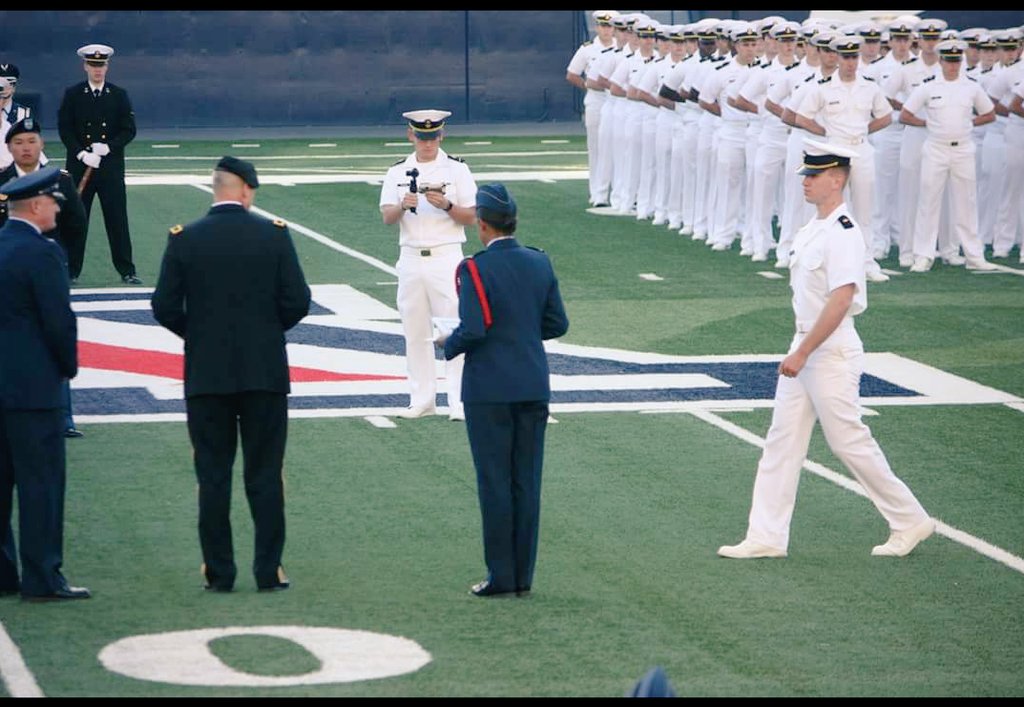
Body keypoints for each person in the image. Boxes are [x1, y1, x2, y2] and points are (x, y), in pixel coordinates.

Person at [717, 140, 935, 560]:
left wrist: (803, 352)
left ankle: (909, 518)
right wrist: (800, 348)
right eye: (806, 175)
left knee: (848, 440)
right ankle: (765, 536)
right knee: (782, 441)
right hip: (807, 342)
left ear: (837, 179)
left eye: (814, 176)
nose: (807, 182)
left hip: (829, 350)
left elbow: (841, 299)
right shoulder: (813, 227)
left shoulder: (843, 232)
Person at [151, 156, 311, 592]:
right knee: (265, 474)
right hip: (264, 374)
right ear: (244, 190)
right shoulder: (273, 236)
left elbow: (164, 306)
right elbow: (298, 300)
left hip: (207, 375)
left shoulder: (185, 239)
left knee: (213, 476)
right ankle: (268, 571)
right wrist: (264, 332)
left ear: (217, 187)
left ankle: (219, 573)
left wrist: (199, 335)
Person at [439, 183, 569, 597]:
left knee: (495, 483)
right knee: (526, 482)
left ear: (482, 225)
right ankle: (523, 577)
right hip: (532, 384)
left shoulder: (473, 269)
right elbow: (557, 324)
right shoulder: (539, 263)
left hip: (490, 390)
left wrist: (448, 344)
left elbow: (474, 329)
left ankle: (501, 575)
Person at [0, 167, 90, 601]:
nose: (58, 206)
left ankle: (2, 574)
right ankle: (42, 577)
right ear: (35, 206)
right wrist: (67, 369)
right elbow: (58, 322)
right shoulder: (43, 253)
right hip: (34, 391)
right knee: (41, 487)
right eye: (53, 201)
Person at [379, 109, 477, 421]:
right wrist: (402, 207)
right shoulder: (398, 171)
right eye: (422, 136)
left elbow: (472, 217)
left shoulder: (457, 169)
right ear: (411, 135)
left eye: (433, 136)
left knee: (454, 329)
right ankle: (422, 398)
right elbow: (387, 217)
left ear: (441, 135)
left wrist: (447, 205)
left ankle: (459, 400)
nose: (428, 142)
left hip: (446, 254)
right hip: (410, 256)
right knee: (414, 330)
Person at [0, 117, 88, 438]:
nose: (26, 148)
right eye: (19, 143)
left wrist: (65, 264)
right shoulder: (1, 182)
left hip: (51, 272)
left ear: (42, 144)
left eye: (32, 141)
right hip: (7, 277)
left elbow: (77, 224)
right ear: (9, 147)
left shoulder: (60, 181)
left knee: (54, 332)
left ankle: (63, 416)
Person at [901, 39, 997, 273]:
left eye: (957, 61)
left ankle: (974, 256)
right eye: (949, 61)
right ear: (941, 61)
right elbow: (905, 114)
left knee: (966, 203)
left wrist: (969, 123)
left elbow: (990, 114)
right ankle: (923, 255)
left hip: (963, 148)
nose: (953, 66)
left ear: (961, 61)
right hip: (936, 148)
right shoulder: (928, 86)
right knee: (928, 203)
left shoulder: (971, 86)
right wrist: (928, 124)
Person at [57, 43, 141, 285]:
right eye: (93, 65)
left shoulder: (118, 95)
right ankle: (71, 270)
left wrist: (109, 147)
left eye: (101, 65)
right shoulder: (73, 94)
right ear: (85, 66)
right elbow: (65, 128)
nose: (97, 70)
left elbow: (129, 129)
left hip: (110, 169)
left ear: (107, 66)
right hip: (80, 167)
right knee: (76, 219)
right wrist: (81, 154)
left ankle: (127, 270)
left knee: (117, 219)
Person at [565, 10, 619, 207]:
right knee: (596, 148)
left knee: (618, 148)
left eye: (610, 26)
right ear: (597, 27)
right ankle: (597, 193)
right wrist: (587, 85)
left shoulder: (621, 48)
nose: (606, 30)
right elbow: (572, 74)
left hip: (617, 101)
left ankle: (618, 192)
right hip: (596, 101)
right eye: (603, 26)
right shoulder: (588, 49)